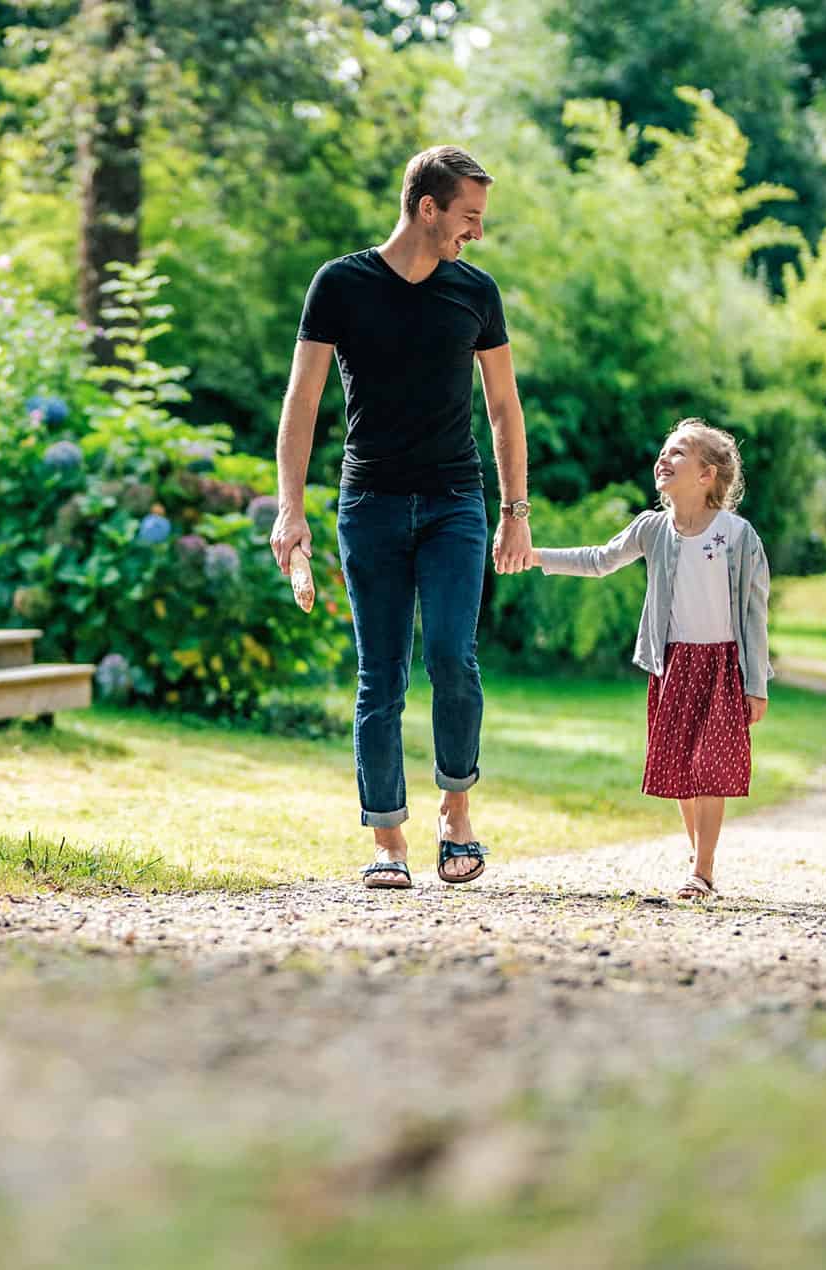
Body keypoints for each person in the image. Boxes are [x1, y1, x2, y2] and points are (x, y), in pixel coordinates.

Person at [269, 145, 532, 890]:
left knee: (452, 655)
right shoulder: (340, 285)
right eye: (469, 216)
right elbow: (302, 400)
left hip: (455, 502)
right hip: (371, 504)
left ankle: (456, 812)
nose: (476, 232)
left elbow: (504, 407)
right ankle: (389, 841)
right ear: (428, 208)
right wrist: (292, 509)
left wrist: (515, 510)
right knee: (379, 674)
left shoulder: (475, 294)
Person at [524, 419, 773, 899]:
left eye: (679, 452)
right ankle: (697, 864)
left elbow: (754, 611)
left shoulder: (738, 536)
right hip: (673, 664)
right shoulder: (653, 529)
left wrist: (755, 682)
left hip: (723, 667)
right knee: (680, 768)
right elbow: (599, 560)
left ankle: (702, 869)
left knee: (711, 764)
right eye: (664, 450)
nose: (664, 458)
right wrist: (536, 556)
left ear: (707, 475)